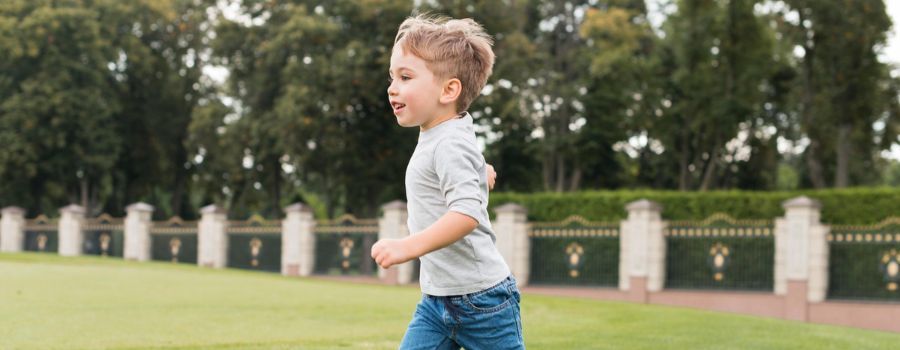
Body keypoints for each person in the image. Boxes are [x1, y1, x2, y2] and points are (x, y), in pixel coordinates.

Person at [370, 14, 524, 350]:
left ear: (449, 89)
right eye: (392, 77)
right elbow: (463, 155)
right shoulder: (445, 133)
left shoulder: (448, 141)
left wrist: (406, 246)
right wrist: (480, 171)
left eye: (405, 77)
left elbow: (466, 214)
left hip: (483, 302)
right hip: (436, 301)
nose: (393, 88)